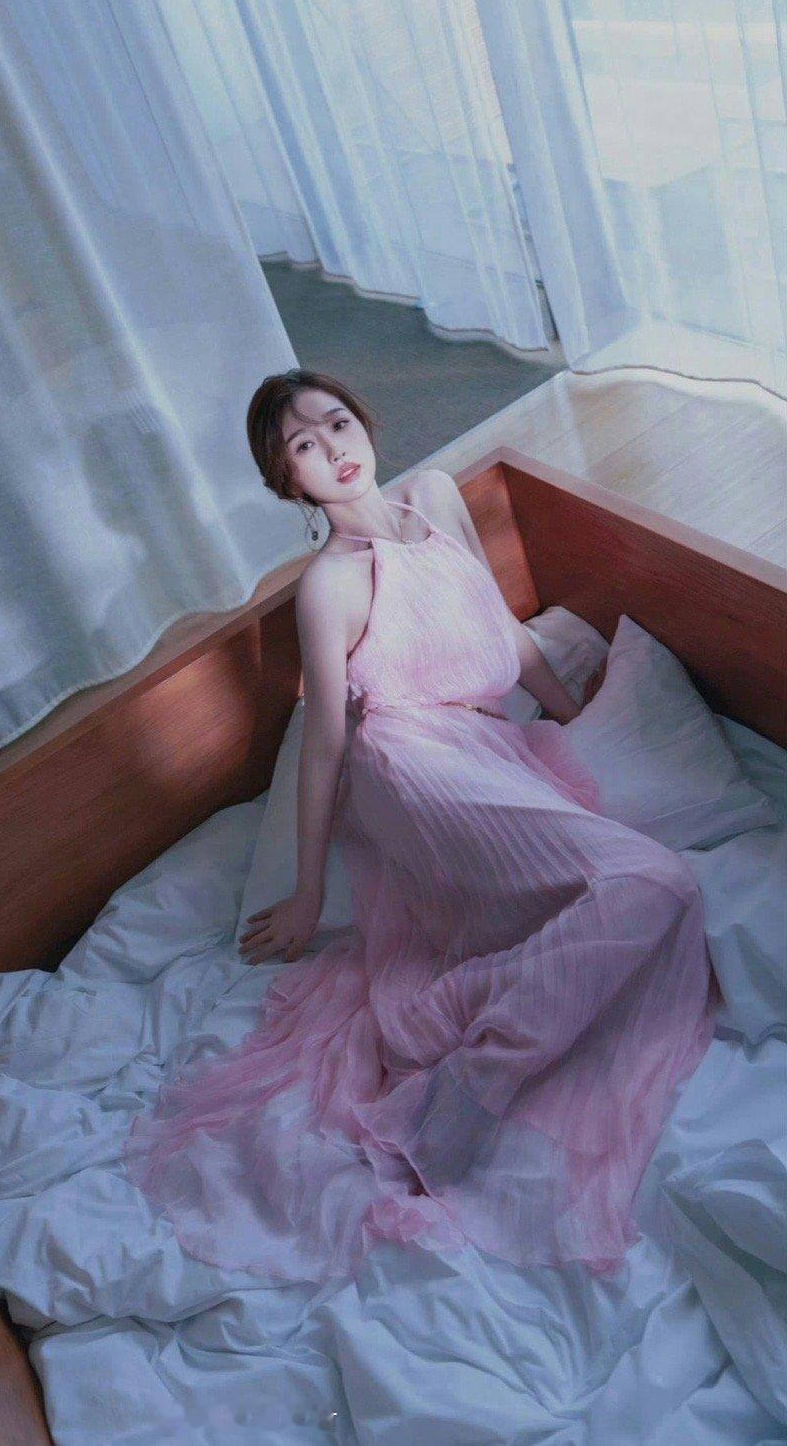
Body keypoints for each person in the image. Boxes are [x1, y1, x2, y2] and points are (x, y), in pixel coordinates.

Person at [124, 369, 719, 1285]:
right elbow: (326, 740)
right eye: (304, 446)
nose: (333, 448)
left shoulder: (436, 498)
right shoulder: (329, 584)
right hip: (411, 767)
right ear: (288, 482)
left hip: (487, 746)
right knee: (656, 883)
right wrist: (309, 891)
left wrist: (574, 718)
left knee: (641, 892)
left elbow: (502, 629)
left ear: (364, 421)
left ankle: (470, 1070)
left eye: (337, 422)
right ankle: (461, 1093)